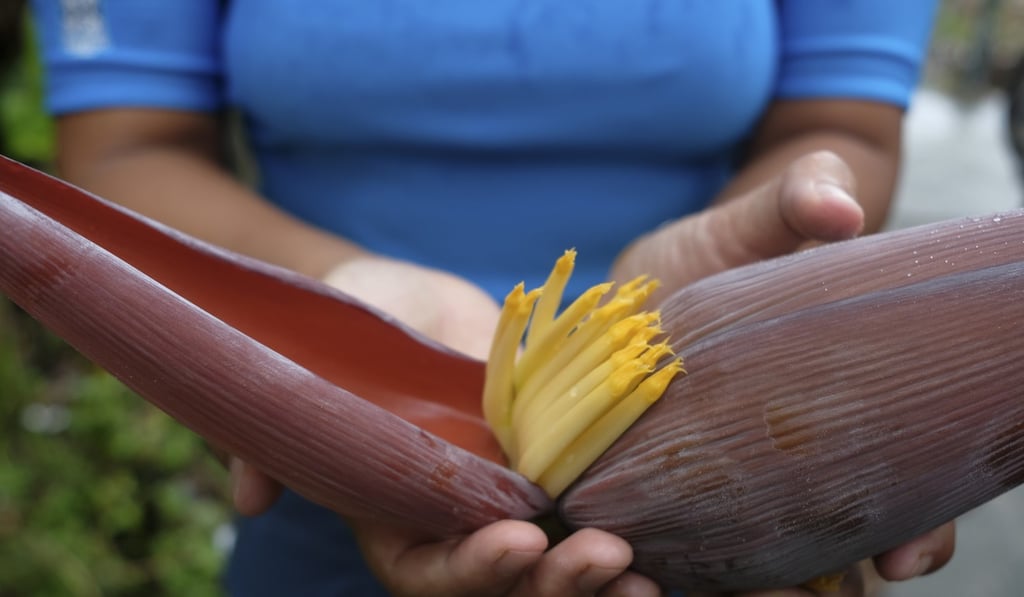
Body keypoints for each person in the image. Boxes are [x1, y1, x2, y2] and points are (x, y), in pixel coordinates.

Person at [29, 1, 954, 596]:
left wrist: (766, 316)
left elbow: (841, 126)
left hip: (710, 437)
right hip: (348, 435)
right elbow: (125, 148)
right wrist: (333, 315)